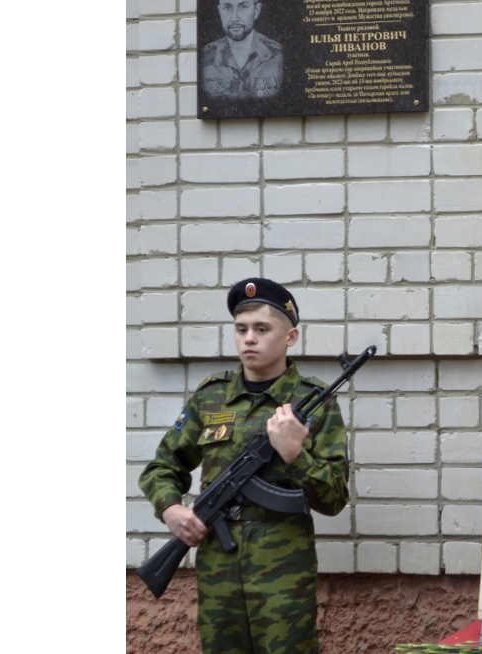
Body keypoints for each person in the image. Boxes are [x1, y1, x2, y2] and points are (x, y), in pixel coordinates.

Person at [140, 278, 348, 654]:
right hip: (218, 563)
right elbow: (162, 466)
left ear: (291, 337)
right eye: (241, 329)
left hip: (283, 566)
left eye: (262, 329)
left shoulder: (313, 402)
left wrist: (295, 454)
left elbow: (334, 497)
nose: (249, 338)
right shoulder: (212, 396)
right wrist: (170, 508)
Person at [202, 0, 284, 100]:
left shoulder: (278, 56)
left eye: (243, 7)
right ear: (219, 11)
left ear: (256, 11)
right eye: (228, 7)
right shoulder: (205, 57)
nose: (234, 18)